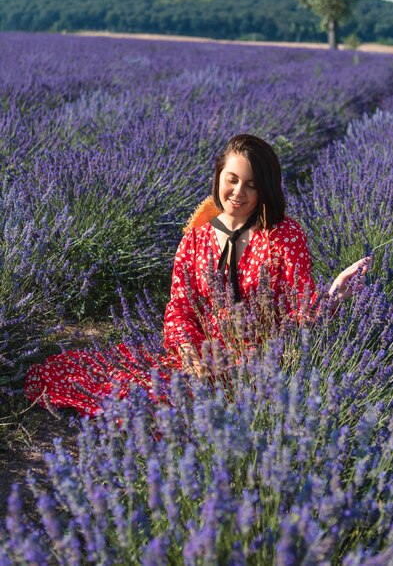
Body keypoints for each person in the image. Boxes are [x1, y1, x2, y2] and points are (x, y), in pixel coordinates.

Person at [25, 134, 369, 414]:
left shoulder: (284, 235)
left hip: (258, 368)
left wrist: (334, 295)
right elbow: (180, 306)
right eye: (231, 180)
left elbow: (299, 308)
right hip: (199, 361)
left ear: (265, 188)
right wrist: (191, 353)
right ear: (219, 176)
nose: (237, 192)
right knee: (119, 390)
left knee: (186, 415)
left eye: (250, 184)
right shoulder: (198, 236)